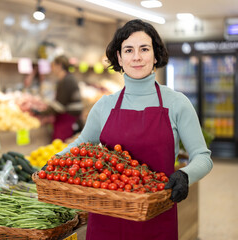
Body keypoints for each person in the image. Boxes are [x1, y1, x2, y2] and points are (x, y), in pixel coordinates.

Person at [52, 19, 213, 240]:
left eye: (144, 49)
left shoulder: (177, 103)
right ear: (119, 57)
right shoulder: (104, 105)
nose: (136, 57)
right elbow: (82, 144)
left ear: (155, 55)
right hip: (105, 218)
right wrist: (55, 160)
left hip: (156, 217)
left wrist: (185, 175)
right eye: (129, 50)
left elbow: (203, 157)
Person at [37, 55, 83, 141]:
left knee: (61, 145)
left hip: (67, 119)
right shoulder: (68, 78)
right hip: (69, 117)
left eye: (53, 65)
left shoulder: (66, 80)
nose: (52, 68)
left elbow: (59, 106)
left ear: (60, 65)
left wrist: (42, 112)